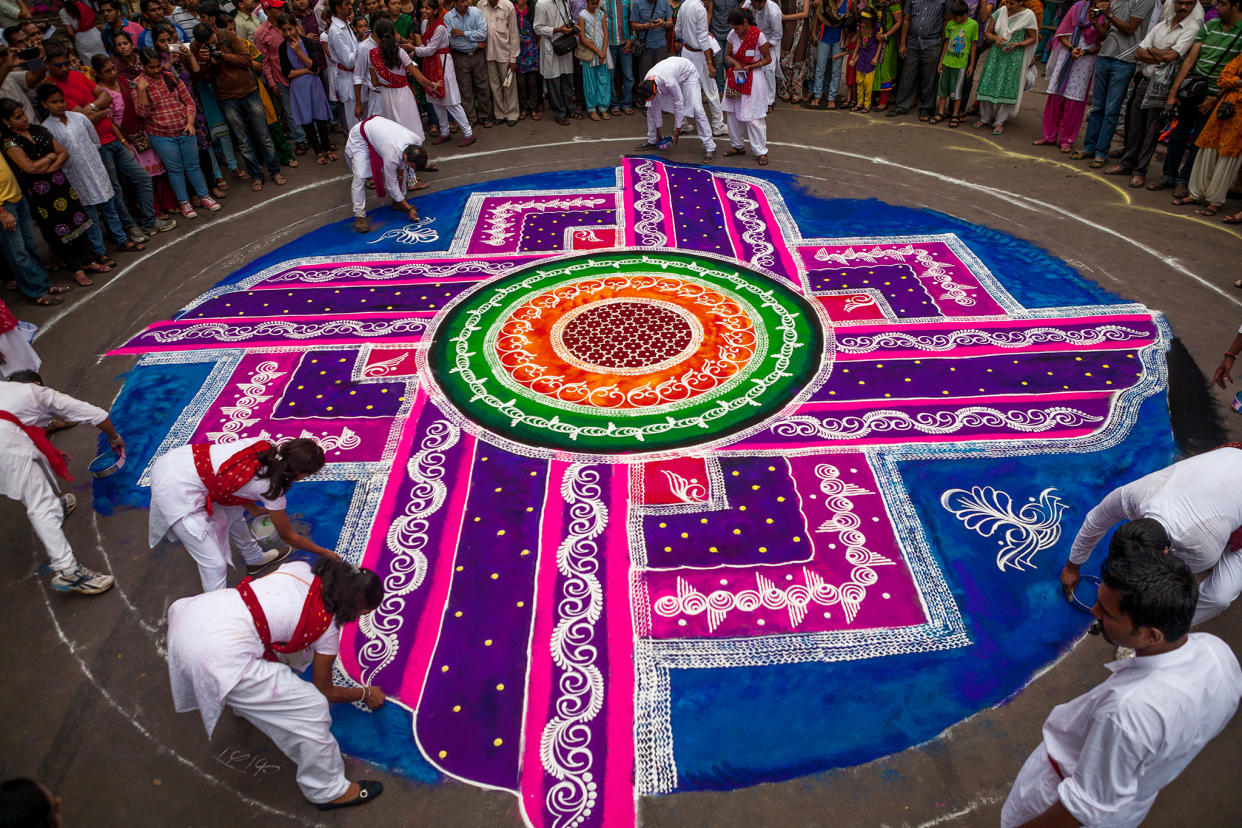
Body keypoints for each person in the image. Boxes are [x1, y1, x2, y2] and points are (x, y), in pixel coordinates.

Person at [1003, 543, 1242, 828]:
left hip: (1053, 798)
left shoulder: (1127, 710)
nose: (1094, 611)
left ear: (1152, 635)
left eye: (1107, 612)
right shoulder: (1217, 653)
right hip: (1129, 801)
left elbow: (1081, 808)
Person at [166, 556, 387, 810]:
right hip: (216, 652)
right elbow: (325, 690)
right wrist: (364, 693)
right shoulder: (327, 630)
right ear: (354, 606)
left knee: (270, 660)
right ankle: (328, 790)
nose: (359, 619)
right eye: (363, 613)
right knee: (311, 708)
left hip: (198, 613)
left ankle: (242, 704)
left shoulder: (301, 569)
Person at [1061, 447, 1242, 626]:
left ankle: (1160, 631)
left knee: (1219, 596)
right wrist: (1072, 565)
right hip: (1230, 459)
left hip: (1222, 516)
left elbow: (1167, 584)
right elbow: (1096, 520)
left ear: (1165, 553)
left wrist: (1121, 607)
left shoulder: (1202, 550)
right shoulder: (1133, 495)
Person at [149, 437, 336, 593]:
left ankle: (255, 558)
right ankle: (214, 608)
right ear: (300, 474)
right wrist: (324, 552)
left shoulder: (261, 446)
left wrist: (253, 509)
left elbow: (233, 480)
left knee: (234, 510)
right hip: (176, 489)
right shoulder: (272, 489)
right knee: (214, 564)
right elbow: (288, 536)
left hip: (176, 461)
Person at [0, 374, 122, 595]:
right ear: (37, 384)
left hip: (9, 440)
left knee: (35, 466)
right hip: (5, 446)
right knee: (41, 505)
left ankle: (56, 510)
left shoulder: (7, 391)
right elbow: (96, 414)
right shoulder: (38, 394)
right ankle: (69, 572)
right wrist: (114, 437)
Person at [37, 85, 143, 271]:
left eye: (61, 100)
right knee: (90, 216)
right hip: (75, 177)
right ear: (44, 104)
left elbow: (95, 141)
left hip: (95, 169)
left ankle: (121, 239)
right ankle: (99, 251)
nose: (60, 105)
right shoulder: (47, 129)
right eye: (54, 102)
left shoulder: (79, 118)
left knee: (110, 206)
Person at [0, 99, 101, 287]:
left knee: (77, 221)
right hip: (39, 195)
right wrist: (49, 157)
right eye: (17, 117)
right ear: (6, 122)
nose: (24, 119)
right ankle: (75, 269)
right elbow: (29, 169)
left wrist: (46, 167)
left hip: (60, 184)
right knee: (57, 231)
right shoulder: (9, 142)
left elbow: (63, 153)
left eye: (23, 113)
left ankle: (88, 261)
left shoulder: (37, 130)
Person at [1102, 0, 1200, 185]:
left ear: (1194, 4)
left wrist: (1154, 52)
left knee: (1151, 130)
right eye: (1180, 3)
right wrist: (1160, 54)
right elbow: (1139, 52)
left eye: (1188, 4)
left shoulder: (1191, 28)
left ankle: (1140, 170)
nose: (1183, 7)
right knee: (1135, 125)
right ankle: (1127, 163)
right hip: (1145, 80)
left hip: (1163, 85)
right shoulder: (1162, 25)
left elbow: (1173, 57)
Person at [1161, 0, 1242, 201]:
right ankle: (1168, 176)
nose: (1217, 7)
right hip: (1193, 90)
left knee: (1200, 142)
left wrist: (1215, 99)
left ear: (1236, 5)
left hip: (1218, 97)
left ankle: (1184, 181)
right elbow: (1190, 60)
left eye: (1223, 3)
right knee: (1178, 134)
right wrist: (1174, 92)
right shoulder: (1210, 25)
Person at [192, 23, 286, 192]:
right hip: (227, 98)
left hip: (249, 92)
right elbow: (203, 77)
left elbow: (246, 60)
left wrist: (223, 56)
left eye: (211, 39)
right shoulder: (196, 48)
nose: (210, 43)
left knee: (264, 135)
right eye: (205, 42)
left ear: (214, 33)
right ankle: (256, 175)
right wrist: (204, 61)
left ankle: (275, 171)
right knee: (243, 141)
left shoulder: (227, 36)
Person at [95, 46, 179, 233]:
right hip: (124, 139)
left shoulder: (125, 82)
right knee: (139, 179)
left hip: (141, 132)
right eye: (107, 71)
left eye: (113, 68)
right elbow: (110, 122)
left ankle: (156, 214)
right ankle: (148, 217)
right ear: (97, 73)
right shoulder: (100, 93)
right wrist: (125, 144)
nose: (113, 73)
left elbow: (142, 103)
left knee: (156, 173)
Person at [133, 47, 217, 219]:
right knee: (175, 170)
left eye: (158, 66)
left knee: (193, 165)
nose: (156, 71)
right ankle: (184, 203)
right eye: (152, 68)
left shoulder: (170, 76)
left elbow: (189, 102)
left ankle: (204, 196)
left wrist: (190, 123)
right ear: (143, 66)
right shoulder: (138, 83)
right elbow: (142, 113)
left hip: (184, 129)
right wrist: (142, 90)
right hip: (161, 135)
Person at [1075, 0, 1157, 166]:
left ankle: (1101, 152)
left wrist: (1108, 14)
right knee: (1097, 106)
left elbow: (1129, 28)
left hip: (1124, 60)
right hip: (1105, 55)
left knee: (1111, 110)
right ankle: (1089, 146)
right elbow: (1105, 33)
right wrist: (1094, 22)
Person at [1035, 0, 1105, 153]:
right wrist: (1072, 48)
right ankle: (1049, 136)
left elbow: (1104, 41)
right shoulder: (1077, 8)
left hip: (1086, 60)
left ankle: (1066, 139)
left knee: (1075, 99)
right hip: (1067, 54)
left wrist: (1086, 52)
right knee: (1055, 96)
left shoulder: (1107, 15)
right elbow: (1062, 34)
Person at [346, 113, 434, 232]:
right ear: (406, 156)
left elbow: (403, 169)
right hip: (360, 137)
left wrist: (401, 199)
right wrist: (408, 209)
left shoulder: (416, 140)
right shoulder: (391, 154)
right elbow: (391, 184)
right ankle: (359, 215)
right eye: (411, 165)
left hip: (380, 133)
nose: (411, 168)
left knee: (403, 170)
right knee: (360, 176)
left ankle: (398, 202)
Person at [0, 154, 69, 306]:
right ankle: (37, 292)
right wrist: (2, 213)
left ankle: (44, 285)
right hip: (5, 207)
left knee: (30, 246)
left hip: (17, 198)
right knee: (18, 253)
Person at [1184, 51, 1242, 214]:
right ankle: (1196, 193)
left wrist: (1235, 82)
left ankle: (1215, 200)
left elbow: (1230, 80)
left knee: (1229, 157)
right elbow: (1223, 78)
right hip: (1224, 109)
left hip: (1239, 119)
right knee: (1208, 149)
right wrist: (1238, 82)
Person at [634, 53, 718, 159]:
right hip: (673, 72)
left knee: (697, 109)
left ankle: (710, 146)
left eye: (651, 96)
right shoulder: (647, 81)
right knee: (650, 107)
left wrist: (678, 128)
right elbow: (655, 106)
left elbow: (678, 102)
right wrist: (658, 130)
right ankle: (653, 139)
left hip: (688, 74)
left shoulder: (669, 82)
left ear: (654, 91)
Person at [972, 0, 1037, 133]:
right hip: (996, 54)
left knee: (1007, 87)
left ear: (1021, 2)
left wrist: (1018, 44)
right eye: (1007, 2)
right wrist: (996, 38)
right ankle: (985, 118)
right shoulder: (1000, 11)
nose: (1008, 6)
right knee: (988, 83)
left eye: (1012, 3)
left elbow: (1033, 38)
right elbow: (988, 33)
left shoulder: (1028, 15)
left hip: (1013, 57)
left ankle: (999, 122)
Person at [416, 0, 476, 142]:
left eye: (427, 8)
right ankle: (444, 131)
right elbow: (427, 47)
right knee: (435, 99)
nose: (424, 10)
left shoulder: (440, 27)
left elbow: (430, 49)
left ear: (435, 11)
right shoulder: (424, 24)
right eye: (423, 8)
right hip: (430, 62)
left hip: (441, 63)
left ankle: (468, 133)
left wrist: (413, 49)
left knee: (451, 100)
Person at [253, 0, 309, 155]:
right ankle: (300, 140)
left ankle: (314, 137)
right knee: (290, 112)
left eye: (282, 6)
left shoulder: (293, 23)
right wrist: (272, 83)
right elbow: (264, 61)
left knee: (307, 105)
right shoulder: (261, 33)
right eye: (278, 8)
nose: (282, 8)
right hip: (281, 78)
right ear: (268, 12)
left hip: (302, 73)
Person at [279, 13, 336, 163]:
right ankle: (318, 152)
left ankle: (327, 148)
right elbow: (287, 73)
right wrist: (305, 70)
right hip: (298, 89)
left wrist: (299, 52)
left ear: (296, 27)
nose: (288, 33)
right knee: (307, 121)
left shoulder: (307, 42)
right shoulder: (282, 48)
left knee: (321, 118)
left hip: (313, 85)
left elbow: (316, 68)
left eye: (290, 29)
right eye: (284, 30)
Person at [722, 5, 771, 162]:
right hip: (735, 78)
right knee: (732, 113)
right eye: (733, 29)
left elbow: (767, 59)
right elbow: (727, 55)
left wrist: (751, 66)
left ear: (744, 22)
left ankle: (760, 151)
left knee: (753, 116)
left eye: (737, 28)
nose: (735, 31)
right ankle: (737, 145)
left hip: (753, 78)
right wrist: (735, 62)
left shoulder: (758, 36)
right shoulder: (732, 34)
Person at [891, 0, 952, 120]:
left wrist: (942, 42)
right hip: (912, 42)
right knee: (907, 76)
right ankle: (902, 106)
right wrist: (903, 43)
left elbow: (947, 20)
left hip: (933, 43)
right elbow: (907, 19)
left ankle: (927, 109)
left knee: (930, 78)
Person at [676, 0, 725, 134]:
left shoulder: (684, 4)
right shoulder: (700, 9)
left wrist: (690, 36)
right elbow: (703, 39)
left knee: (685, 87)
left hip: (686, 51)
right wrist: (709, 62)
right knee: (711, 90)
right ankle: (717, 125)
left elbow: (678, 31)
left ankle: (681, 123)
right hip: (699, 54)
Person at [534, 0, 582, 123]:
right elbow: (537, 28)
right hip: (551, 47)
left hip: (565, 45)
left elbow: (567, 19)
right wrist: (557, 29)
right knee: (554, 83)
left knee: (568, 80)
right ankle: (560, 114)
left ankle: (570, 110)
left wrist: (573, 27)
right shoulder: (541, 4)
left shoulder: (564, 2)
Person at [445, 0, 491, 126]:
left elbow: (483, 34)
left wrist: (462, 33)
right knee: (465, 90)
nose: (466, 3)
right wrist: (475, 43)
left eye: (467, 0)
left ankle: (485, 116)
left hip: (478, 56)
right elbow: (452, 42)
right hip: (461, 57)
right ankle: (470, 119)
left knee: (483, 86)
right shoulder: (448, 17)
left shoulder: (476, 12)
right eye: (462, 1)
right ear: (454, 2)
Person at [934, 0, 977, 125]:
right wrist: (941, 61)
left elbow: (973, 46)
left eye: (956, 17)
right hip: (947, 62)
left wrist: (971, 65)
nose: (954, 19)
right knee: (943, 89)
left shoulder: (973, 25)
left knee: (956, 90)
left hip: (960, 65)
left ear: (965, 15)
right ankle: (941, 112)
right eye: (952, 17)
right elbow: (947, 43)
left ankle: (955, 114)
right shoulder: (950, 24)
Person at [479, 0, 519, 126]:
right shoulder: (480, 5)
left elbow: (514, 33)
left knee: (509, 85)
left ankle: (512, 114)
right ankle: (500, 114)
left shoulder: (508, 6)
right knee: (494, 86)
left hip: (505, 53)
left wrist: (513, 58)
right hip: (488, 54)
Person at [807, 0, 849, 108]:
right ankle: (817, 96)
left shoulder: (848, 3)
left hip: (839, 40)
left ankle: (832, 98)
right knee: (820, 68)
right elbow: (818, 16)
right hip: (824, 38)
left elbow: (850, 21)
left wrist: (848, 38)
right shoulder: (825, 2)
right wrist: (813, 33)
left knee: (836, 70)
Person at [0, 26, 46, 123]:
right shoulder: (8, 70)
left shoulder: (9, 76)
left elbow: (35, 77)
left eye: (4, 53)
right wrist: (7, 66)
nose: (26, 44)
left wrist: (38, 60)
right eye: (2, 55)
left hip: (36, 126)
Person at [324, 0, 359, 126]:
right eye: (347, 4)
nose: (351, 7)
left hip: (355, 78)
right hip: (349, 82)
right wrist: (363, 46)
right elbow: (349, 62)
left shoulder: (346, 25)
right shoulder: (336, 31)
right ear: (338, 8)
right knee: (355, 124)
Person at [742, 0, 782, 105]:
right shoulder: (749, 4)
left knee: (768, 70)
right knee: (749, 65)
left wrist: (763, 46)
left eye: (754, 3)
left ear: (763, 2)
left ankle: (769, 102)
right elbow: (742, 19)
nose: (752, 5)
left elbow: (777, 35)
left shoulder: (774, 11)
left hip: (769, 42)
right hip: (752, 39)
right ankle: (752, 97)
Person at [632, 0, 674, 83]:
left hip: (661, 47)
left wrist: (663, 23)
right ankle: (647, 96)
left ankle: (660, 95)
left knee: (662, 78)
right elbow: (633, 25)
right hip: (645, 48)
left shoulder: (664, 2)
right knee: (646, 78)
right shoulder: (637, 3)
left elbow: (670, 24)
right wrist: (647, 25)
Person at [850, 4, 882, 111]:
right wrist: (855, 54)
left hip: (871, 55)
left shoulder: (877, 27)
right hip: (862, 55)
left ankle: (867, 104)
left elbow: (880, 43)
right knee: (859, 80)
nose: (865, 21)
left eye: (867, 19)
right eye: (863, 19)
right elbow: (859, 39)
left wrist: (876, 57)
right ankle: (859, 102)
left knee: (868, 83)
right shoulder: (861, 26)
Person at [514, 0, 542, 119]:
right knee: (520, 83)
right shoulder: (512, 10)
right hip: (517, 50)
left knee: (532, 82)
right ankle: (523, 108)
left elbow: (539, 31)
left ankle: (533, 108)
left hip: (531, 49)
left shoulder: (532, 11)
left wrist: (537, 47)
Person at [60, 1, 108, 65]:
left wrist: (73, 42)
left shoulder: (63, 11)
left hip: (81, 39)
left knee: (89, 62)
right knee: (104, 57)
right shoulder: (84, 5)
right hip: (95, 34)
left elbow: (70, 33)